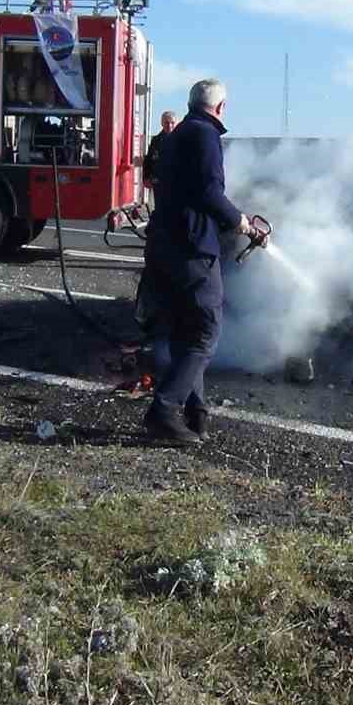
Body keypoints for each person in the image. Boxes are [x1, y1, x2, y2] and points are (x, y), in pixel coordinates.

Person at [140, 80, 252, 444]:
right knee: (204, 333)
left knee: (183, 332)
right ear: (220, 107)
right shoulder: (205, 136)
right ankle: (163, 412)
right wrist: (239, 221)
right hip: (191, 250)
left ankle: (196, 413)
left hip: (164, 245)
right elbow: (209, 192)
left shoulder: (175, 136)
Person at [142, 111, 176, 189]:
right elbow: (148, 160)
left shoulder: (181, 140)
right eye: (167, 123)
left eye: (172, 123)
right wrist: (146, 177)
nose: (170, 125)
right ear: (162, 123)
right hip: (158, 182)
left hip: (175, 183)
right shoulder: (156, 141)